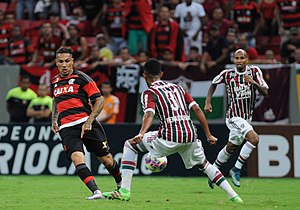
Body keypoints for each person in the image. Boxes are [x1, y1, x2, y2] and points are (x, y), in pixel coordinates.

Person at [103, 58, 243, 204]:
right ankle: (234, 196)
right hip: (190, 134)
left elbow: (149, 113)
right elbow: (196, 109)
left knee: (130, 145)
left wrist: (142, 133)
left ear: (144, 75)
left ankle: (124, 191)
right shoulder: (179, 88)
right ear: (161, 74)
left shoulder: (149, 93)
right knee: (205, 164)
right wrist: (208, 134)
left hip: (169, 136)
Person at [51, 46, 122, 200]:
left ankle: (120, 184)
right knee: (77, 158)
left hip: (86, 123)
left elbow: (99, 99)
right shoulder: (55, 81)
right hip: (67, 127)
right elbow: (55, 100)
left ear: (72, 62)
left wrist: (89, 121)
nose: (64, 64)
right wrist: (54, 119)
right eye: (61, 61)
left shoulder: (82, 78)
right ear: (56, 63)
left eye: (67, 61)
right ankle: (96, 192)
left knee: (107, 160)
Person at [204, 49, 269, 188]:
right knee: (254, 139)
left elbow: (265, 92)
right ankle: (236, 168)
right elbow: (213, 83)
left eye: (242, 58)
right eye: (237, 58)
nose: (239, 61)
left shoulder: (255, 72)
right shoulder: (227, 74)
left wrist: (253, 83)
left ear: (247, 60)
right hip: (233, 116)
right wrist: (208, 101)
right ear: (234, 60)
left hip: (247, 118)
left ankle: (213, 172)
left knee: (231, 147)